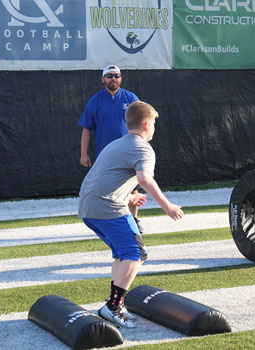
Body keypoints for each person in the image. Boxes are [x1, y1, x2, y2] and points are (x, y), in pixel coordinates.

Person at [78, 101, 184, 328]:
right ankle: (112, 307)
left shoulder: (115, 144)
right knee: (136, 253)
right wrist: (168, 207)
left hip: (89, 207)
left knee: (123, 254)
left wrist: (128, 198)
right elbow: (145, 178)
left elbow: (101, 179)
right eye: (154, 123)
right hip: (107, 207)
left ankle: (115, 304)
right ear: (146, 124)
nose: (154, 127)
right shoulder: (143, 147)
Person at [78, 64, 145, 233]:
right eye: (109, 76)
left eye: (116, 75)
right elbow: (87, 128)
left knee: (132, 186)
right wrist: (83, 153)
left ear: (121, 78)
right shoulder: (95, 100)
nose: (113, 78)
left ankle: (134, 220)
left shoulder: (131, 98)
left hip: (129, 152)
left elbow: (144, 121)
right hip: (106, 155)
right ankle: (110, 221)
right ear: (103, 79)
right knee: (108, 189)